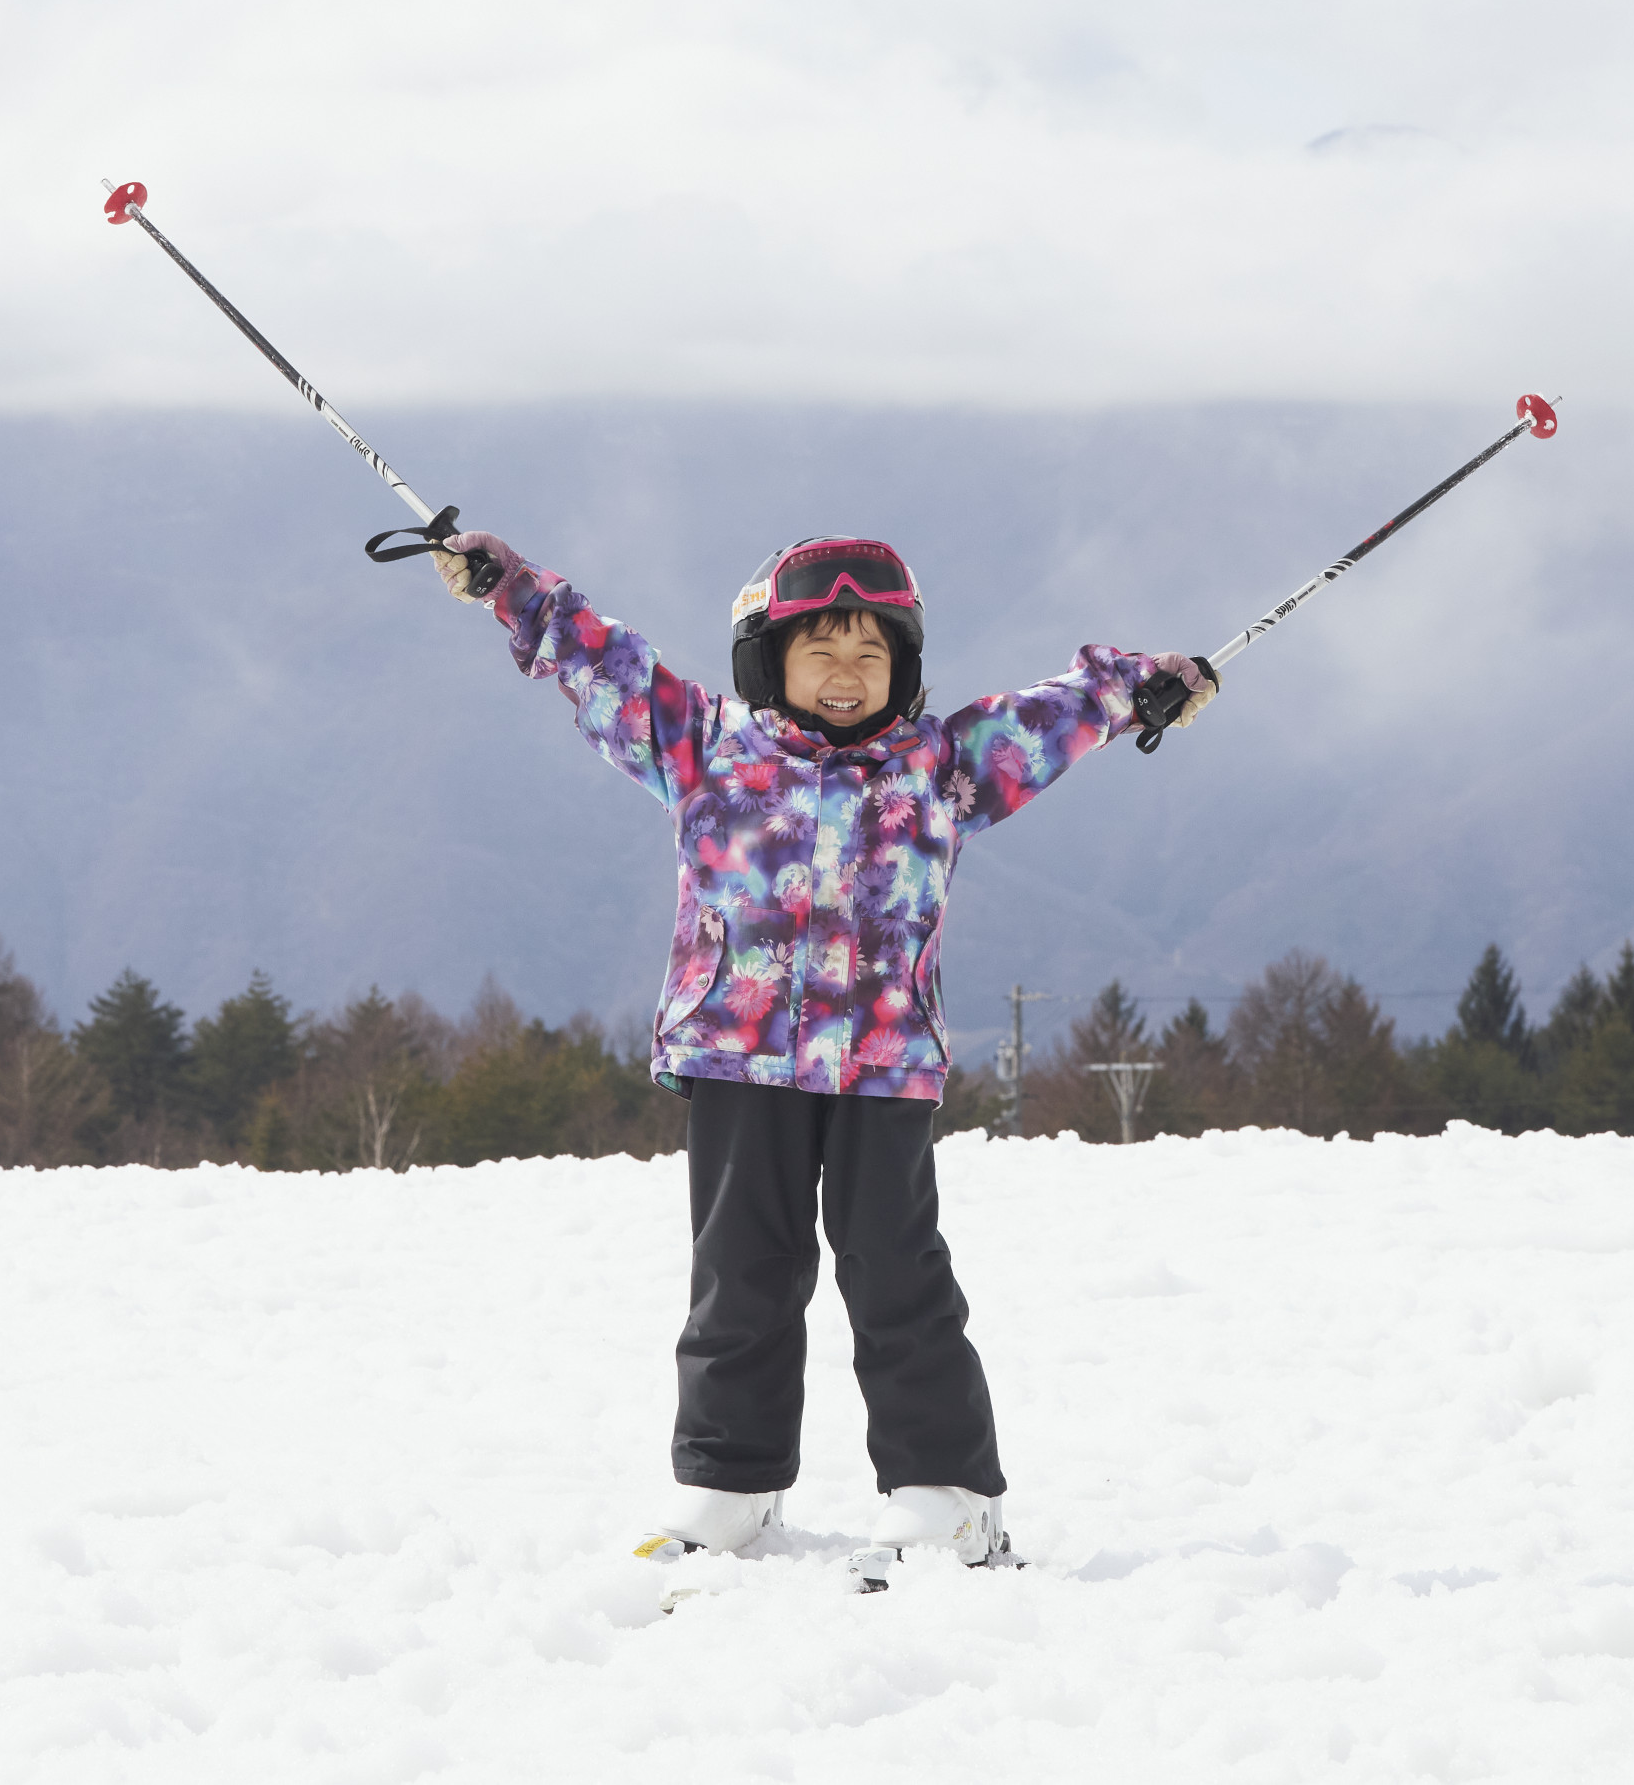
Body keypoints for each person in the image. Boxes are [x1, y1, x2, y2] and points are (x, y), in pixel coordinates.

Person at [430, 528, 1214, 1567]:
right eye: (820, 651)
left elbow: (1051, 716)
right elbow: (600, 666)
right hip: (736, 1057)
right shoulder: (702, 747)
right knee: (741, 1275)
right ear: (769, 659)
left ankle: (946, 1491)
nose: (846, 674)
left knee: (895, 1270)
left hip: (882, 1065)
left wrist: (1141, 686)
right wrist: (515, 591)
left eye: (870, 654)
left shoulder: (941, 767)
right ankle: (729, 1483)